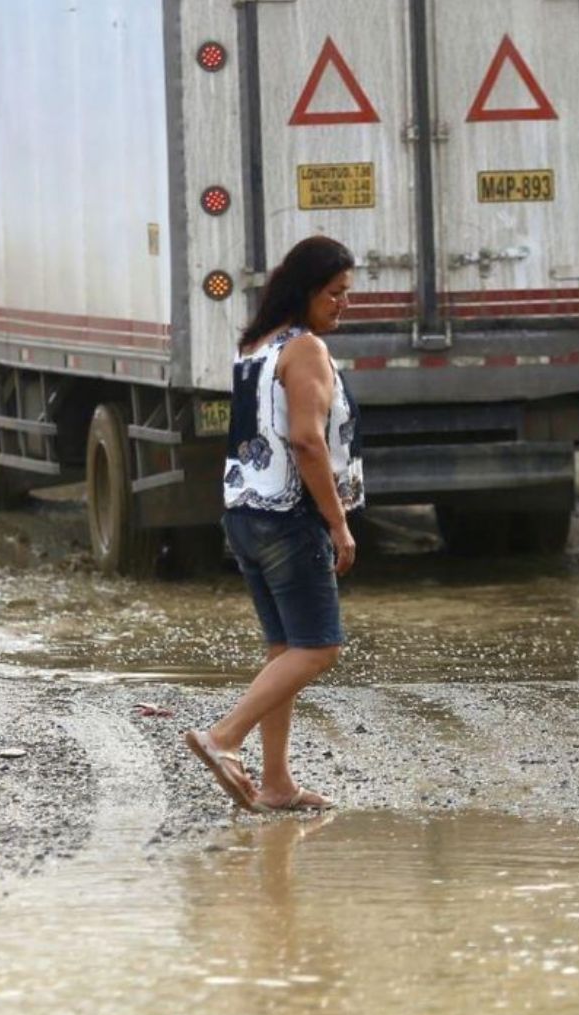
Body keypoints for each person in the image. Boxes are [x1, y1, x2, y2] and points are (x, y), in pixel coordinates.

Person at [185, 236, 363, 814]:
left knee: (285, 648)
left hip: (245, 514)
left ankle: (278, 783)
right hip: (290, 517)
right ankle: (223, 737)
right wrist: (338, 523)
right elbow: (307, 441)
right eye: (334, 293)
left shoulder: (256, 346)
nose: (343, 304)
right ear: (306, 291)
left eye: (346, 293)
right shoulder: (305, 349)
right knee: (320, 647)